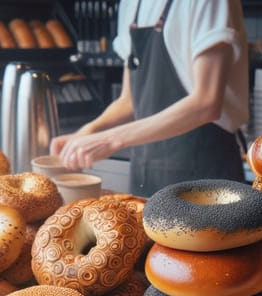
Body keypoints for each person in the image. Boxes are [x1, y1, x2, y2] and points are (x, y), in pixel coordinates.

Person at [51, 0, 249, 197]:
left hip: (206, 179)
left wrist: (110, 140)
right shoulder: (132, 4)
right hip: (147, 176)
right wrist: (89, 131)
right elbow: (128, 101)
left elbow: (206, 103)